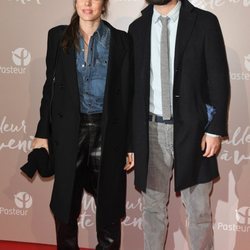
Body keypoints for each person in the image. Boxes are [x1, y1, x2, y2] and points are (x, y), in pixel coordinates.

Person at [32, 0, 134, 249]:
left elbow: (128, 95)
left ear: (104, 4)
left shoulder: (121, 40)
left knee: (108, 207)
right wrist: (42, 133)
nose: (87, 3)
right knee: (65, 205)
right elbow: (50, 89)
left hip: (108, 132)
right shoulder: (57, 36)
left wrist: (130, 144)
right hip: (69, 133)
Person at [128, 0, 230, 249]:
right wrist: (131, 141)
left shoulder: (204, 23)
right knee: (152, 210)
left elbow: (218, 78)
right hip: (150, 131)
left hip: (194, 133)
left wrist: (214, 129)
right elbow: (131, 90)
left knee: (199, 211)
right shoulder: (137, 28)